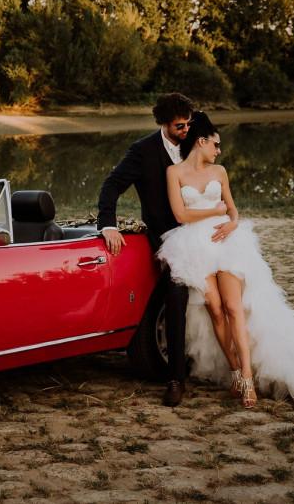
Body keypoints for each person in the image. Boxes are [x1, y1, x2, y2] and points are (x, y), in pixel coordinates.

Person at [159, 111, 294, 409]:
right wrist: (214, 211)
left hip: (225, 241)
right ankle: (234, 369)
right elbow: (181, 214)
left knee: (234, 308)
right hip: (193, 244)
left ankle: (247, 377)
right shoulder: (174, 172)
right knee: (215, 309)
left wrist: (232, 221)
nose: (219, 150)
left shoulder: (220, 171)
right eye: (216, 144)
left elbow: (232, 209)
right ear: (201, 141)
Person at [97, 92, 206, 407]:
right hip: (168, 238)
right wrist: (108, 225)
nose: (186, 130)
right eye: (180, 126)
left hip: (201, 231)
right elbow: (111, 185)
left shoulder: (194, 143)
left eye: (189, 124)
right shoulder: (142, 151)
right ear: (164, 123)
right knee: (176, 295)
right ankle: (176, 379)